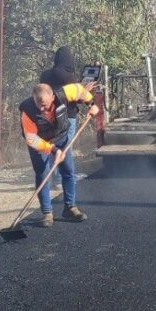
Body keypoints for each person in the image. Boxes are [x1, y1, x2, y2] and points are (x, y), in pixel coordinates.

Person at [20, 82, 99, 225]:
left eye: (45, 104)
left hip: (61, 137)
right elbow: (31, 139)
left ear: (52, 96)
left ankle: (70, 207)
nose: (42, 108)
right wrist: (54, 150)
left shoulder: (64, 93)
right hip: (40, 143)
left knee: (68, 171)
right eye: (39, 104)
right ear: (33, 99)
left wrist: (91, 104)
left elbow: (81, 90)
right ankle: (47, 213)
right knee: (43, 174)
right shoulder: (27, 111)